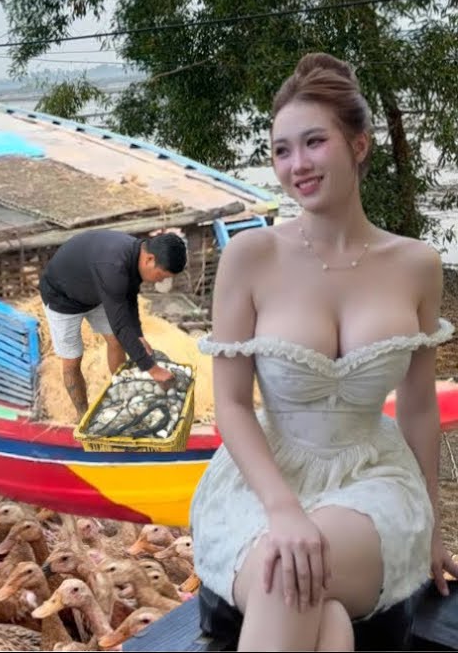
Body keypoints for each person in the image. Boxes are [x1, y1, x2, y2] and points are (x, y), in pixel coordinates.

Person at [188, 52, 457, 651]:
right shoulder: (250, 257)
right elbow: (230, 403)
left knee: (289, 577)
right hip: (266, 481)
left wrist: (434, 528)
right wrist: (283, 510)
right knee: (322, 617)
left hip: (374, 480)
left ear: (358, 145)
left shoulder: (416, 264)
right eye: (281, 150)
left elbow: (416, 406)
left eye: (314, 142)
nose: (296, 165)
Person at [38, 230, 187, 416]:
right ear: (149, 259)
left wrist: (139, 335)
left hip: (98, 291)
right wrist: (152, 369)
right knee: (72, 360)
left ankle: (122, 394)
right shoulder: (114, 265)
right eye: (162, 275)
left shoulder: (135, 254)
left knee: (116, 342)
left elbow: (129, 298)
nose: (162, 280)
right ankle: (82, 414)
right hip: (62, 297)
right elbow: (120, 324)